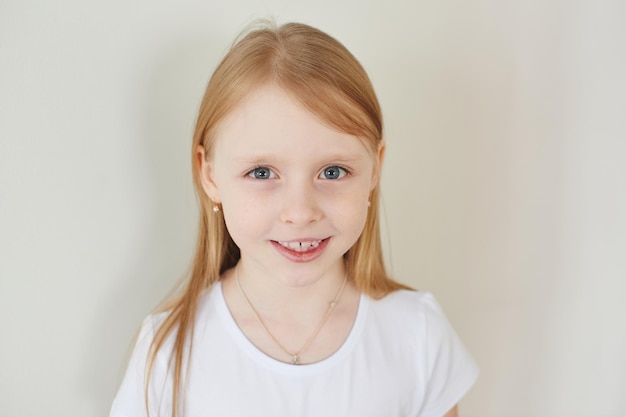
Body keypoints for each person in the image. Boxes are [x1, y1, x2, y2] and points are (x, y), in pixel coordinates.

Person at [109, 21, 479, 417]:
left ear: (375, 170)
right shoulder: (167, 353)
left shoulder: (417, 337)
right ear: (210, 174)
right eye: (263, 173)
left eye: (333, 172)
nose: (301, 213)